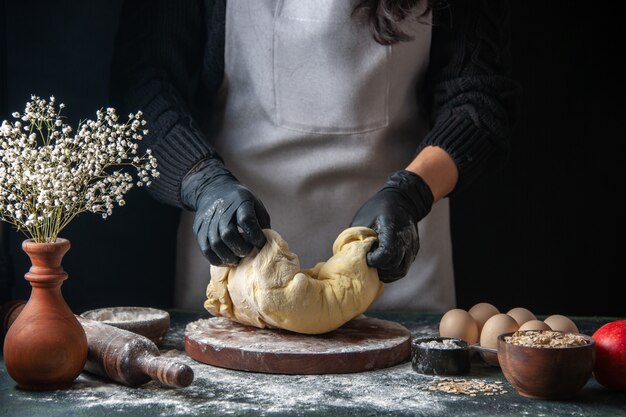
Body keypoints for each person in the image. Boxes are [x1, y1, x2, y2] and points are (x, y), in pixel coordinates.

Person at [111, 0, 520, 312]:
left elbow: (478, 96)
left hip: (396, 264)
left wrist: (411, 193)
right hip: (237, 268)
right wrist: (201, 181)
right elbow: (145, 84)